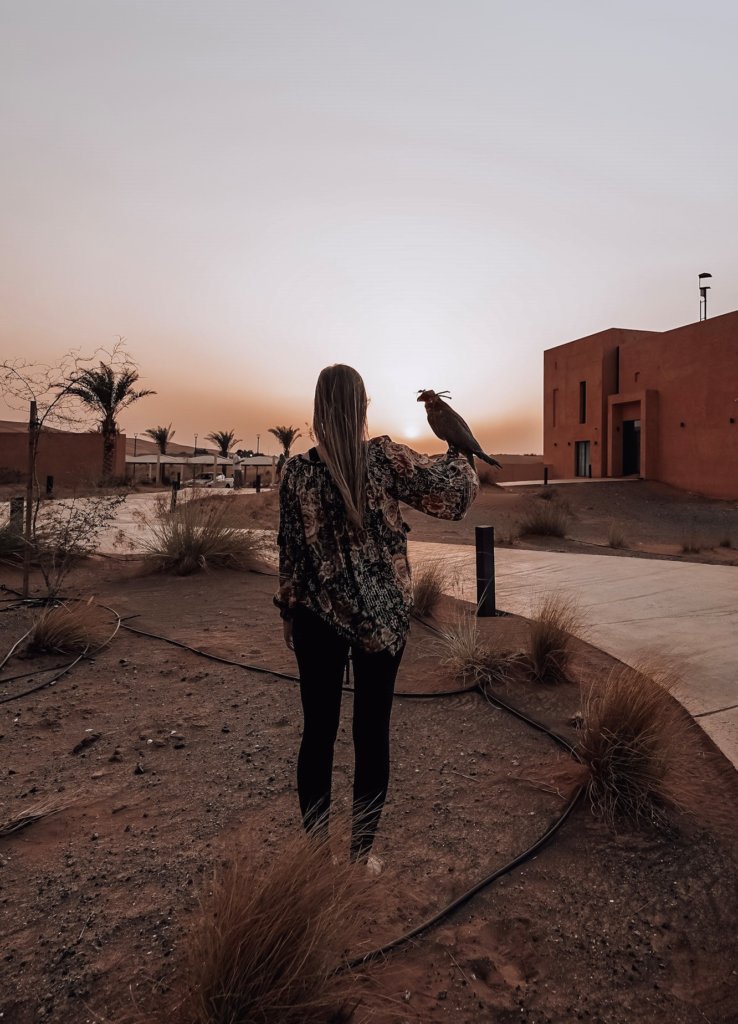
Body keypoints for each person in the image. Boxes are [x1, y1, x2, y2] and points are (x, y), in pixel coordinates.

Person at [274, 364, 478, 867]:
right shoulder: (385, 459)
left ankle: (317, 859)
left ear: (318, 411)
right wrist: (463, 449)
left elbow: (291, 554)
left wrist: (289, 613)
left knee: (317, 733)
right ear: (363, 408)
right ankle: (360, 858)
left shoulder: (297, 472)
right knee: (372, 733)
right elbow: (455, 497)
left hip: (317, 618)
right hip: (382, 622)